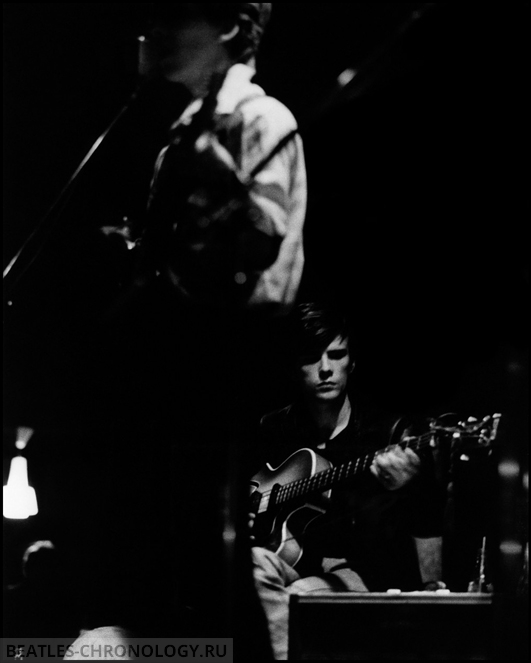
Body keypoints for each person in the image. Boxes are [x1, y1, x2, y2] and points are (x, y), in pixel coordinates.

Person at [66, 3, 305, 658]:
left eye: (176, 18)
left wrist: (211, 167)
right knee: (172, 556)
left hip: (227, 359)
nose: (156, 32)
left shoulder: (262, 119)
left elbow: (264, 239)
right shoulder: (179, 130)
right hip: (173, 360)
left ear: (229, 28)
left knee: (213, 556)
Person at [249, 302, 447, 660]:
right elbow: (252, 488)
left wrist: (408, 487)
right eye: (312, 357)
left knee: (301, 600)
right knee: (249, 566)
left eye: (336, 355)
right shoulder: (276, 427)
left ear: (351, 363)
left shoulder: (388, 433)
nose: (325, 369)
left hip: (357, 569)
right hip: (287, 555)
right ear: (295, 366)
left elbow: (428, 517)